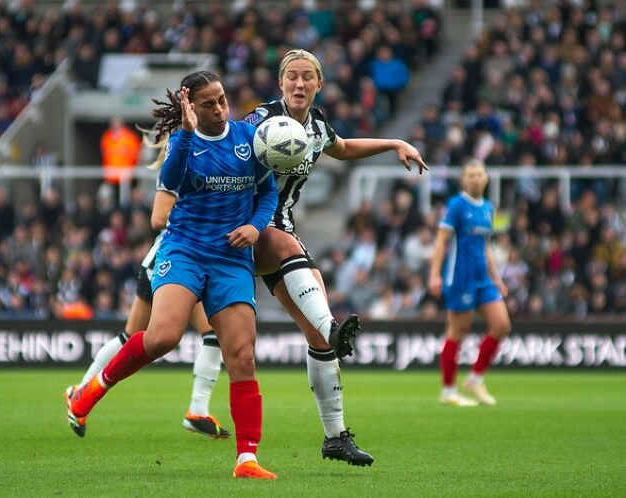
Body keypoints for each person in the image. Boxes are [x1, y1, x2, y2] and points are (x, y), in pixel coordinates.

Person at [66, 71, 279, 480]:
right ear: (192, 108)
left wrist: (256, 225)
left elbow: (266, 191)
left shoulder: (250, 139)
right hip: (184, 249)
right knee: (163, 336)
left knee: (242, 355)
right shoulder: (183, 144)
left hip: (231, 258)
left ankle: (246, 458)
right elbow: (170, 192)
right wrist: (184, 134)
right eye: (209, 104)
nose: (219, 109)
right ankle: (91, 391)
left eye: (222, 99)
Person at [242, 49, 429, 466]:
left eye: (308, 77)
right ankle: (334, 328)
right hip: (243, 229)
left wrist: (395, 142)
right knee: (156, 332)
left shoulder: (318, 127)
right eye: (292, 76)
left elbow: (342, 148)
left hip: (280, 231)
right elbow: (228, 147)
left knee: (315, 338)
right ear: (280, 82)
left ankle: (335, 437)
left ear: (319, 84)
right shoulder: (260, 119)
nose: (299, 84)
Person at [66, 182, 230, 439]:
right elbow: (164, 217)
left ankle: (197, 411)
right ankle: (81, 391)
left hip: (184, 261)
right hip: (171, 263)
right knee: (135, 338)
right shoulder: (191, 161)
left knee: (208, 335)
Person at [427, 159, 512, 407]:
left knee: (502, 326)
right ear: (464, 180)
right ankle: (448, 390)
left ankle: (475, 379)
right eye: (471, 174)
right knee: (457, 332)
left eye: (479, 174)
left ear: (486, 178)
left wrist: (497, 279)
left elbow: (485, 247)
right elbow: (441, 242)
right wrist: (434, 274)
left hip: (483, 280)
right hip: (460, 278)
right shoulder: (456, 206)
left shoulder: (488, 208)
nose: (476, 178)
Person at [100, 117, 142, 185]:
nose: (114, 126)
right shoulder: (106, 137)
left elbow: (137, 154)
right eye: (113, 124)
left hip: (126, 175)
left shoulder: (130, 137)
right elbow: (105, 154)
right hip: (110, 176)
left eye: (116, 124)